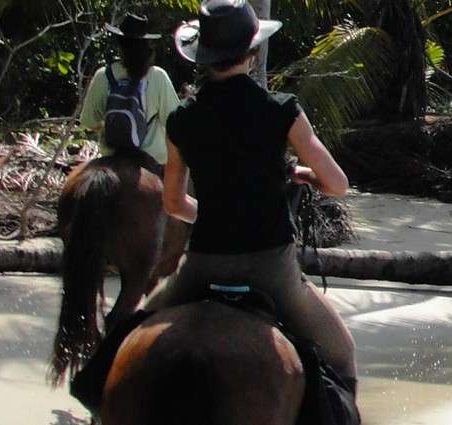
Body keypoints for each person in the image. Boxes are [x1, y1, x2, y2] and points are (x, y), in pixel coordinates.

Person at [144, 0, 357, 394]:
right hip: (270, 267)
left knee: (129, 335)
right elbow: (337, 184)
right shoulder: (281, 109)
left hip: (203, 266)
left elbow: (173, 203)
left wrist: (210, 211)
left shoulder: (182, 119)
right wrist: (301, 174)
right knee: (342, 355)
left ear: (203, 57)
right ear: (253, 51)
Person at [77, 14, 189, 276]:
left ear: (120, 44)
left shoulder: (104, 76)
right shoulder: (158, 77)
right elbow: (175, 124)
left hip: (109, 157)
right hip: (151, 164)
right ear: (147, 47)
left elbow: (89, 122)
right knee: (187, 199)